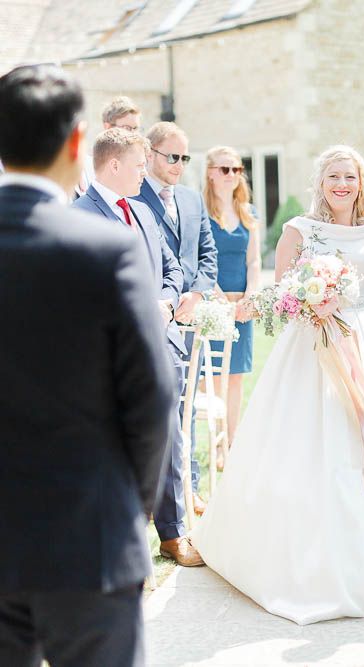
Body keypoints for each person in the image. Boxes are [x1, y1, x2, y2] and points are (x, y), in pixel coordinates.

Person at [191, 145, 364, 625]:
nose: (342, 185)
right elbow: (283, 293)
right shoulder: (299, 231)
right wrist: (306, 303)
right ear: (320, 185)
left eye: (349, 177)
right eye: (333, 178)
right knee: (311, 445)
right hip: (312, 346)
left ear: (361, 182)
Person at [0, 64, 175, 666]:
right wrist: (136, 508)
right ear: (78, 142)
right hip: (89, 540)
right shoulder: (106, 249)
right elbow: (152, 400)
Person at [73, 129, 203, 567]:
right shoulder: (78, 216)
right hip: (108, 353)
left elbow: (171, 268)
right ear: (113, 166)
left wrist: (165, 300)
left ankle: (173, 533)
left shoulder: (145, 212)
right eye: (137, 164)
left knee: (168, 435)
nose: (144, 172)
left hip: (160, 344)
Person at [134, 121, 218, 515]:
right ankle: (150, 498)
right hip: (151, 319)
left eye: (185, 158)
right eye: (173, 156)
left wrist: (197, 293)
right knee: (154, 412)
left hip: (190, 317)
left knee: (187, 406)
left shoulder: (190, 198)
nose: (180, 165)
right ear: (149, 154)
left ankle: (189, 488)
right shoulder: (132, 199)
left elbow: (207, 252)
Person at [203, 146, 261, 463]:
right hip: (212, 305)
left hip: (241, 308)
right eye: (225, 169)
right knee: (212, 377)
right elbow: (198, 260)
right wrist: (216, 296)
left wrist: (252, 293)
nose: (232, 176)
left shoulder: (248, 213)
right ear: (210, 172)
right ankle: (215, 442)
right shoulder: (200, 213)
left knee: (236, 376)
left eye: (237, 170)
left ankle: (231, 443)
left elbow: (253, 261)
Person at [75, 95, 142, 197]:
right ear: (108, 127)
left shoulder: (139, 170)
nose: (133, 134)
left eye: (135, 128)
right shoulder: (85, 166)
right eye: (127, 128)